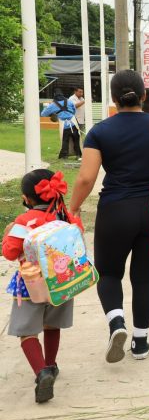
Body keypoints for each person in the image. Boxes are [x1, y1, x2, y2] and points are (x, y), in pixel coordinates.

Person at [68, 70, 149, 363]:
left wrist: (72, 208)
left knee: (109, 273)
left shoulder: (100, 131)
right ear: (144, 96)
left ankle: (116, 323)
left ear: (112, 99)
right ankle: (140, 342)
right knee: (144, 279)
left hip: (114, 212)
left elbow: (86, 178)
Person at [2, 169, 82, 403]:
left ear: (26, 198)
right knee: (51, 324)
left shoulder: (24, 221)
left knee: (26, 332)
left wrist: (8, 234)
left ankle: (42, 372)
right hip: (61, 281)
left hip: (32, 285)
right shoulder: (65, 216)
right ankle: (51, 364)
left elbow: (9, 252)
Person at [40, 89, 81, 160]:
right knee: (76, 139)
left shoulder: (53, 105)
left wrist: (52, 113)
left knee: (65, 140)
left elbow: (43, 114)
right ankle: (78, 155)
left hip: (64, 124)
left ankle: (64, 156)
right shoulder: (69, 101)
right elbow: (74, 110)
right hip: (73, 122)